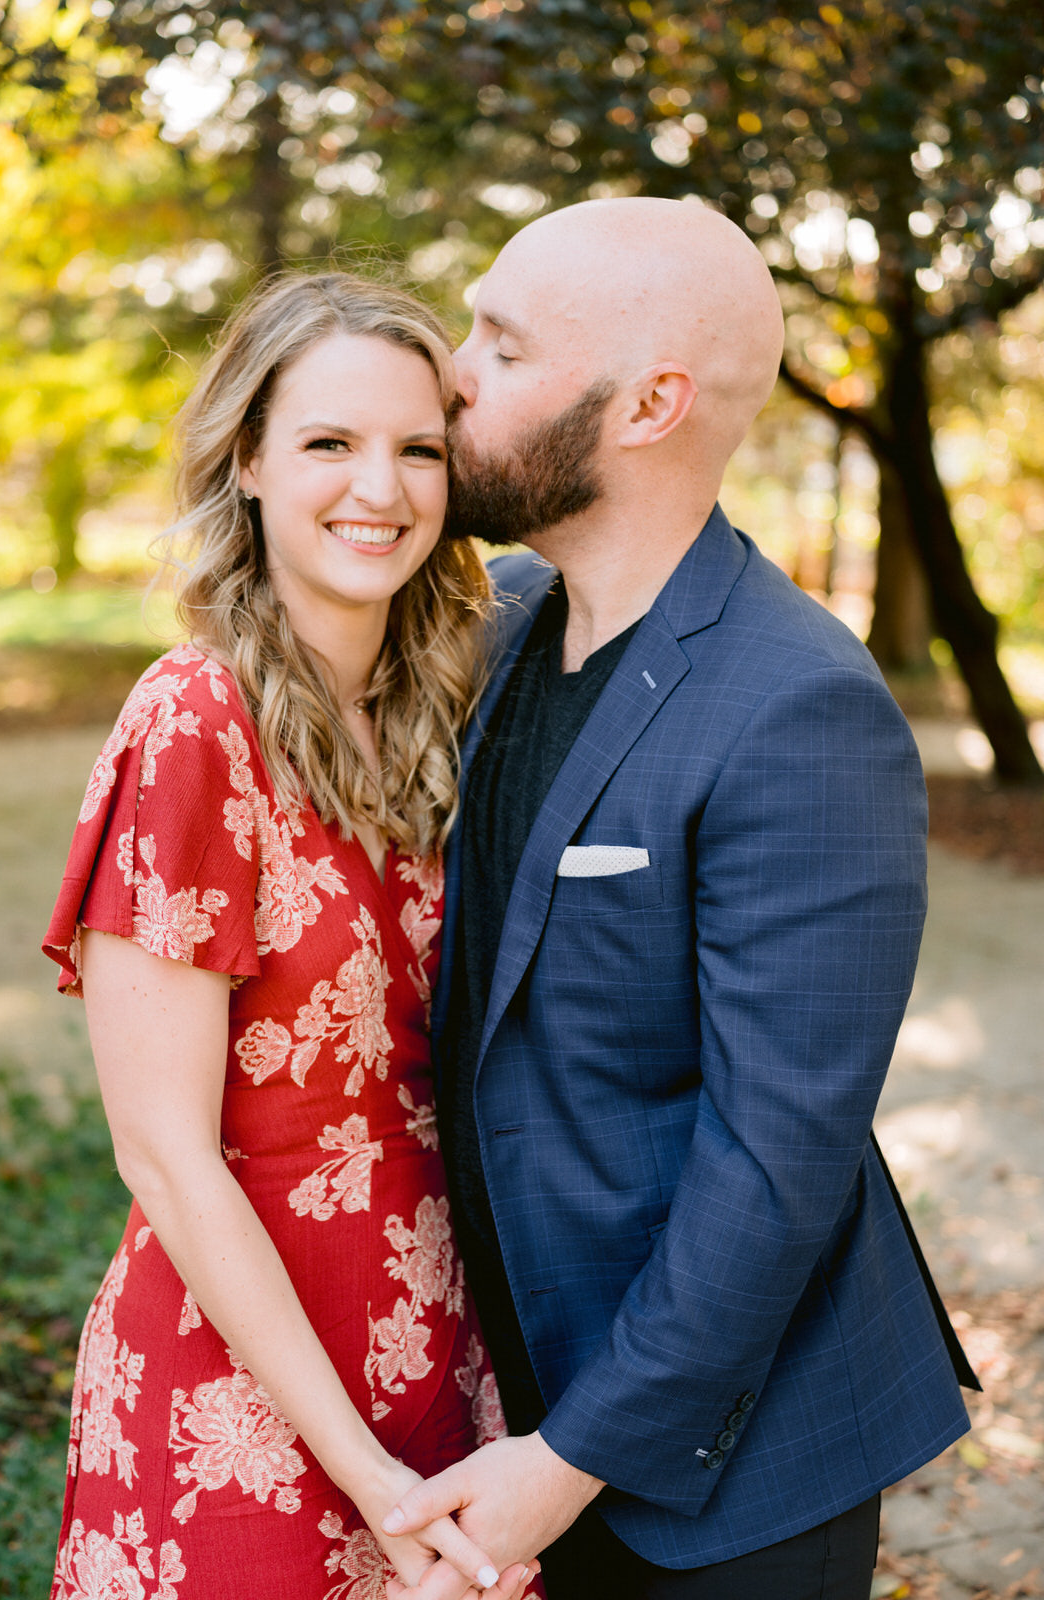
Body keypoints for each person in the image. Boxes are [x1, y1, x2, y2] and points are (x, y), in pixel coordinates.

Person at [381, 198, 978, 1599]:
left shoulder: (802, 705)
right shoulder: (502, 623)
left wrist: (568, 1457)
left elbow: (777, 1159)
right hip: (509, 1402)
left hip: (731, 1460)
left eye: (503, 347)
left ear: (648, 404)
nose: (450, 369)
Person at [41, 273, 541, 1600]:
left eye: (418, 448)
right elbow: (162, 1148)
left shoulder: (450, 709)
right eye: (330, 442)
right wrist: (368, 1479)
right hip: (246, 1399)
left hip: (444, 1355)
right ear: (248, 459)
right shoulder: (193, 722)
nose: (380, 486)